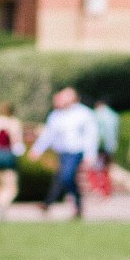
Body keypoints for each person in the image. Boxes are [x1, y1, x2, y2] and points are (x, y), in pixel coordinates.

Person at [29, 87, 99, 219]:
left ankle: (72, 201)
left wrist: (90, 154)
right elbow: (48, 134)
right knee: (60, 178)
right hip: (62, 151)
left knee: (66, 176)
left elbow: (91, 135)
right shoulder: (56, 115)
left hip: (75, 151)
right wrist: (37, 149)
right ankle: (51, 203)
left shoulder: (84, 114)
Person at [89, 98, 120, 198]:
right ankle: (107, 189)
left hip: (99, 146)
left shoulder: (96, 115)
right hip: (110, 146)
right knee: (106, 168)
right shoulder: (114, 115)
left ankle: (100, 189)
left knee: (96, 168)